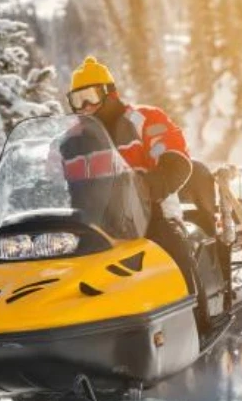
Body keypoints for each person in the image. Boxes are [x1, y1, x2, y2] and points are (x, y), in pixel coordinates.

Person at [65, 56, 221, 329]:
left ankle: (198, 325)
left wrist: (148, 187)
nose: (85, 107)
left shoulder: (145, 120)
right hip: (94, 225)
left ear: (109, 93)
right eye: (77, 100)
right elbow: (51, 179)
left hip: (151, 215)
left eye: (90, 96)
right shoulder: (71, 140)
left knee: (173, 252)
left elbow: (176, 161)